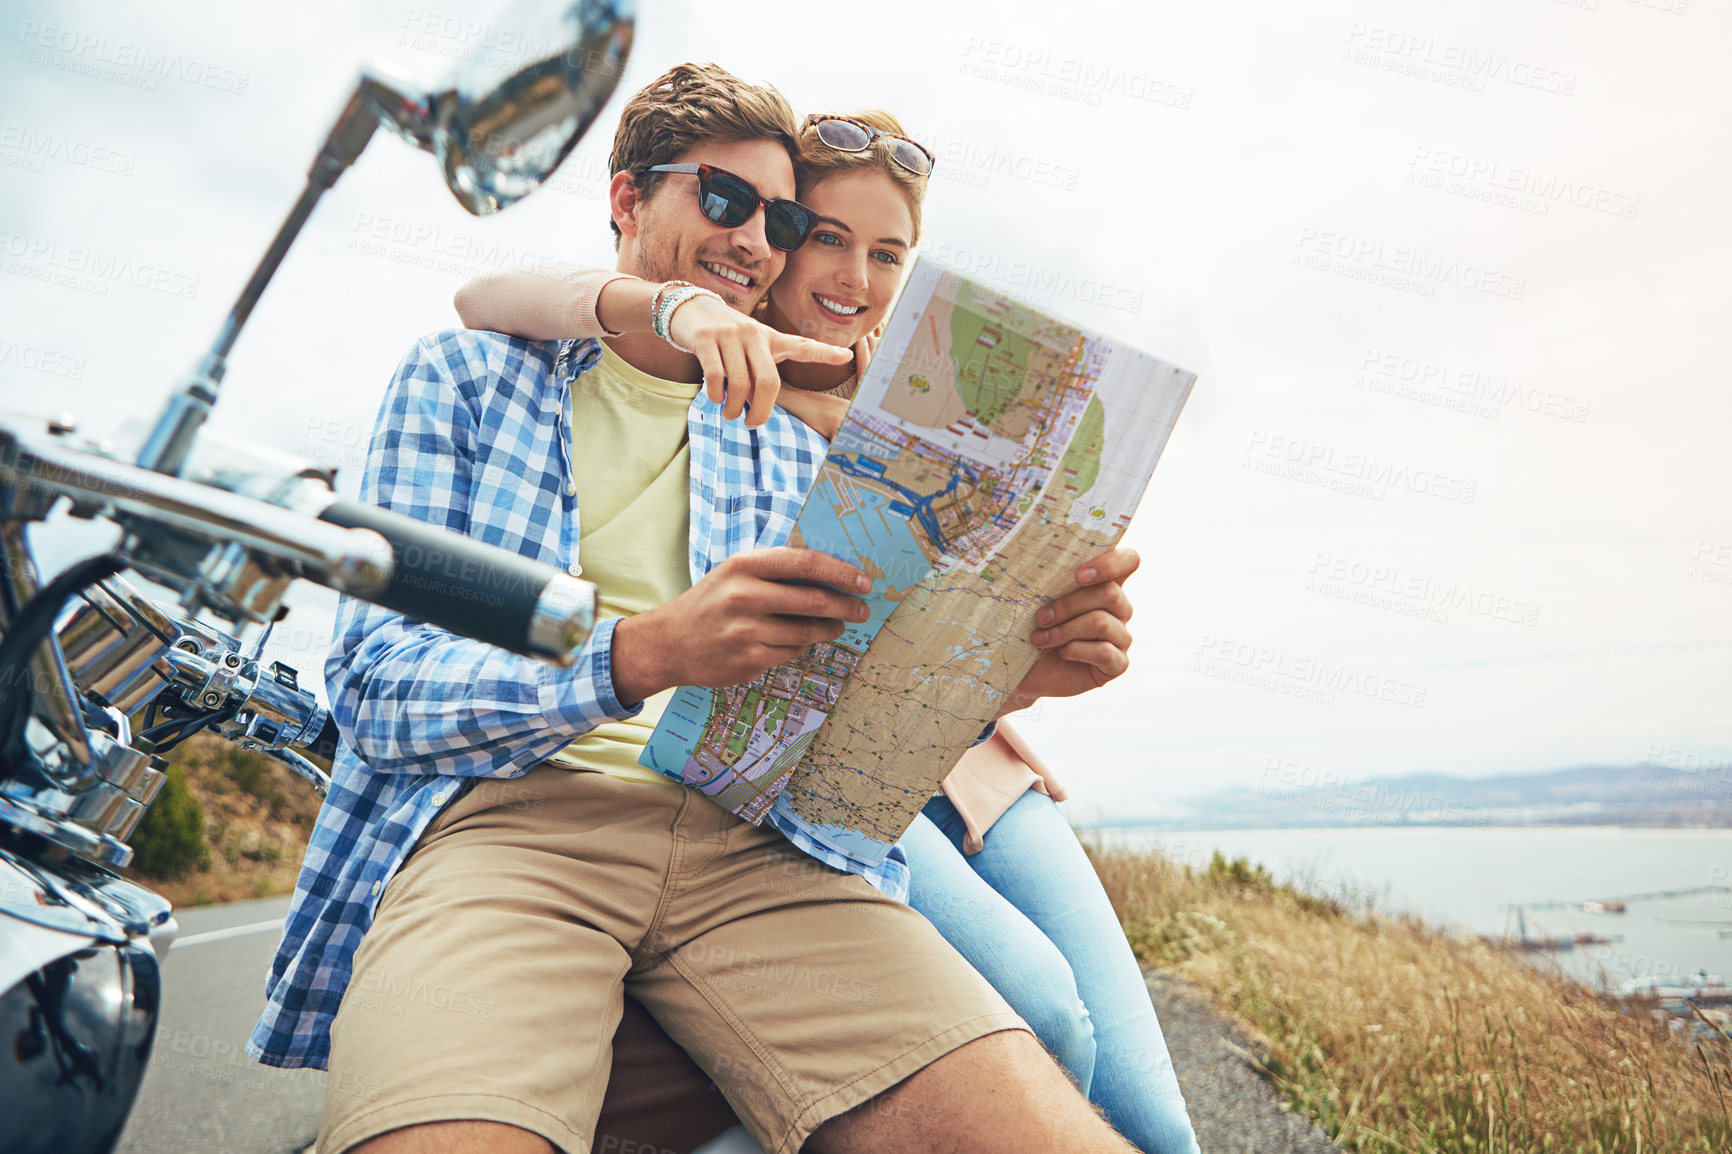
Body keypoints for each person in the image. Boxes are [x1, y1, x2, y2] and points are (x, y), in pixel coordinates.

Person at [247, 62, 1145, 1154]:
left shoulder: (790, 430)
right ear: (626, 199)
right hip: (511, 820)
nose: (754, 239)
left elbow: (827, 708)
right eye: (724, 200)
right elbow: (378, 687)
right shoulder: (469, 377)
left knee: (1068, 1089)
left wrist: (1018, 671)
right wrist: (641, 652)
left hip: (757, 840)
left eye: (778, 218)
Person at [456, 107, 1200, 1154]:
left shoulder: (918, 395)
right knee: (1046, 1013)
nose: (855, 276)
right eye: (827, 239)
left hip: (971, 754)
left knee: (1160, 1119)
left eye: (888, 252)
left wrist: (1057, 642)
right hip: (815, 764)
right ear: (774, 248)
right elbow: (488, 295)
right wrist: (671, 304)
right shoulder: (715, 370)